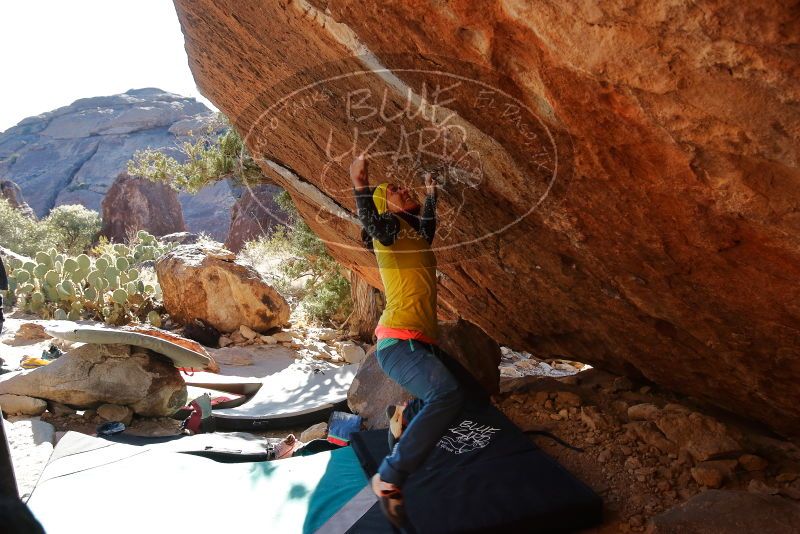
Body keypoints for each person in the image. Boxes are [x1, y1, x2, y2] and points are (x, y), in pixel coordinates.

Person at [350, 155, 464, 528]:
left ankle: (403, 418)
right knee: (446, 395)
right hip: (399, 343)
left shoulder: (411, 236)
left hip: (418, 342)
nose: (402, 188)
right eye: (394, 190)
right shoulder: (387, 234)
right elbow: (371, 221)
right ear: (385, 208)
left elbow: (428, 226)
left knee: (457, 396)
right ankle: (390, 475)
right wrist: (361, 186)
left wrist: (431, 196)